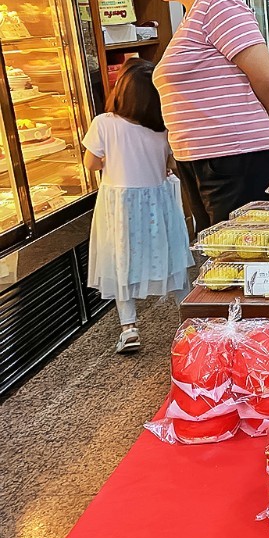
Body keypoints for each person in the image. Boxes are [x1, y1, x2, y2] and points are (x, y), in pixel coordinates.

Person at [143, 0, 269, 229]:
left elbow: (267, 77)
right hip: (208, 161)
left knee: (239, 258)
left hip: (230, 162)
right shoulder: (194, 13)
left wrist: (259, 117)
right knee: (221, 258)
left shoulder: (218, 4)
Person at [83, 59, 194, 354]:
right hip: (158, 204)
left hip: (119, 207)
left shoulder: (104, 123)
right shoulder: (162, 130)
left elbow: (90, 163)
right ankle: (189, 321)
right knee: (172, 256)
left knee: (121, 261)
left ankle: (129, 327)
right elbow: (170, 165)